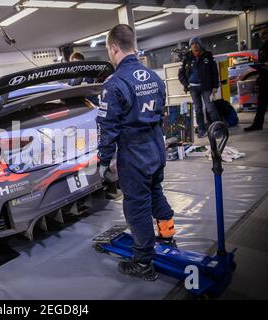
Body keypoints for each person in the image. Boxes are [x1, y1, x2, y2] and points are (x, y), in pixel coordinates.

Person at [97, 24, 176, 281]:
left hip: (134, 154)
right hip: (156, 147)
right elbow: (161, 112)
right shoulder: (154, 77)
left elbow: (107, 127)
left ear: (114, 47)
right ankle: (168, 238)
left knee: (137, 207)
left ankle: (143, 263)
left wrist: (103, 161)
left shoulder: (114, 84)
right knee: (156, 192)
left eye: (109, 51)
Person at [178, 37, 220, 138]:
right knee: (198, 109)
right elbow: (181, 74)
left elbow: (214, 72)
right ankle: (201, 129)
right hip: (193, 88)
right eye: (192, 44)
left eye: (196, 43)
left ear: (200, 45)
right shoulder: (187, 58)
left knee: (210, 108)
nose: (194, 45)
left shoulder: (208, 56)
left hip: (206, 87)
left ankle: (218, 129)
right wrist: (186, 84)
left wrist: (215, 86)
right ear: (190, 46)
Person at [245, 26, 268, 132]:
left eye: (265, 34)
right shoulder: (262, 48)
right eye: (262, 35)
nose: (263, 37)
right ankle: (257, 124)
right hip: (264, 78)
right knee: (261, 103)